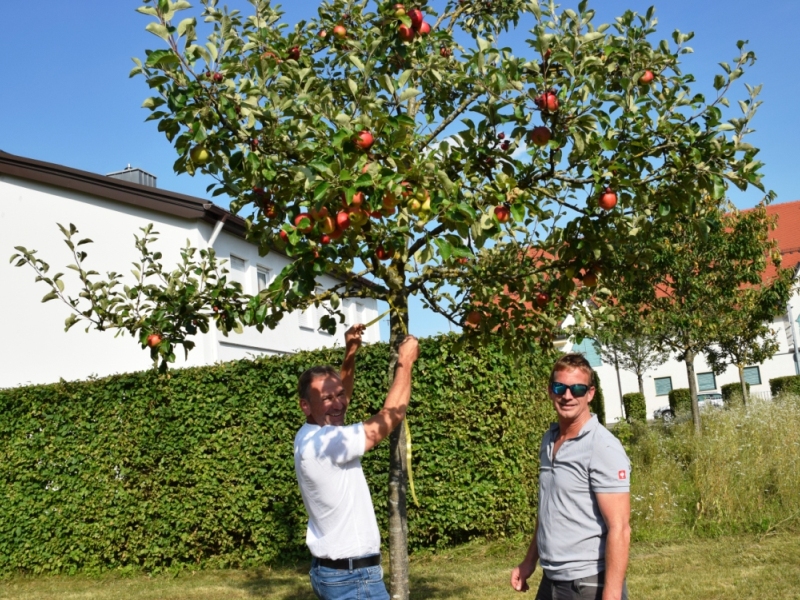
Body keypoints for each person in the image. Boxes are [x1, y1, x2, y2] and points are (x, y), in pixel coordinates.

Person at [294, 323, 420, 600]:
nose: (339, 403)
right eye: (327, 397)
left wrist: (350, 354)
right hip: (353, 579)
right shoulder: (326, 444)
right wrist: (405, 363)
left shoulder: (308, 434)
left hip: (333, 573)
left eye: (339, 394)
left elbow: (339, 401)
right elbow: (389, 417)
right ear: (305, 405)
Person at [511, 353, 631, 600]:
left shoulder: (602, 446)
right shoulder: (549, 439)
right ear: (550, 391)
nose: (567, 396)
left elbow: (620, 528)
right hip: (551, 579)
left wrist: (611, 595)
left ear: (590, 394)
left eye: (577, 389)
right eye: (560, 387)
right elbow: (549, 510)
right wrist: (529, 561)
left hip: (587, 584)